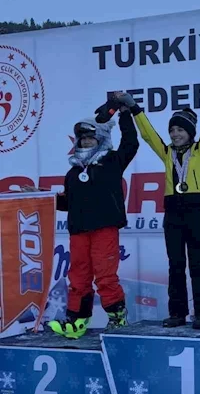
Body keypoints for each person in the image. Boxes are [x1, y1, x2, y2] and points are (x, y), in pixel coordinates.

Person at [114, 90, 200, 329]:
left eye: (180, 129)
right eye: (172, 130)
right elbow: (148, 134)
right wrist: (134, 108)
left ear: (190, 133)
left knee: (198, 264)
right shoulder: (166, 153)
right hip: (172, 212)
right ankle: (177, 313)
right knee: (175, 265)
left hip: (194, 211)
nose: (175, 134)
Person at [46, 99, 139, 338]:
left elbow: (131, 142)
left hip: (104, 228)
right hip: (79, 231)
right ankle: (76, 321)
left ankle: (117, 318)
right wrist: (42, 197)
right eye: (82, 138)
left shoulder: (113, 161)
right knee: (78, 276)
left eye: (91, 137)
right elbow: (67, 202)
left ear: (101, 139)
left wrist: (125, 113)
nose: (86, 141)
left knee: (105, 275)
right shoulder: (73, 172)